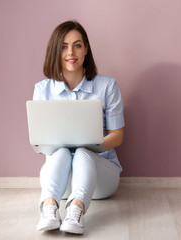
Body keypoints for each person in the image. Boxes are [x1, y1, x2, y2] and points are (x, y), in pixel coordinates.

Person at [33, 20, 124, 234]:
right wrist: (63, 147)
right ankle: (49, 207)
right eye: (64, 46)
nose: (70, 52)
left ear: (85, 49)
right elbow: (41, 143)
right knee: (63, 152)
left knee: (82, 152)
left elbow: (117, 136)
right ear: (55, 51)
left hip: (101, 180)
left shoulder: (107, 86)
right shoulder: (42, 90)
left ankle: (77, 210)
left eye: (77, 45)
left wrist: (87, 146)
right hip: (59, 182)